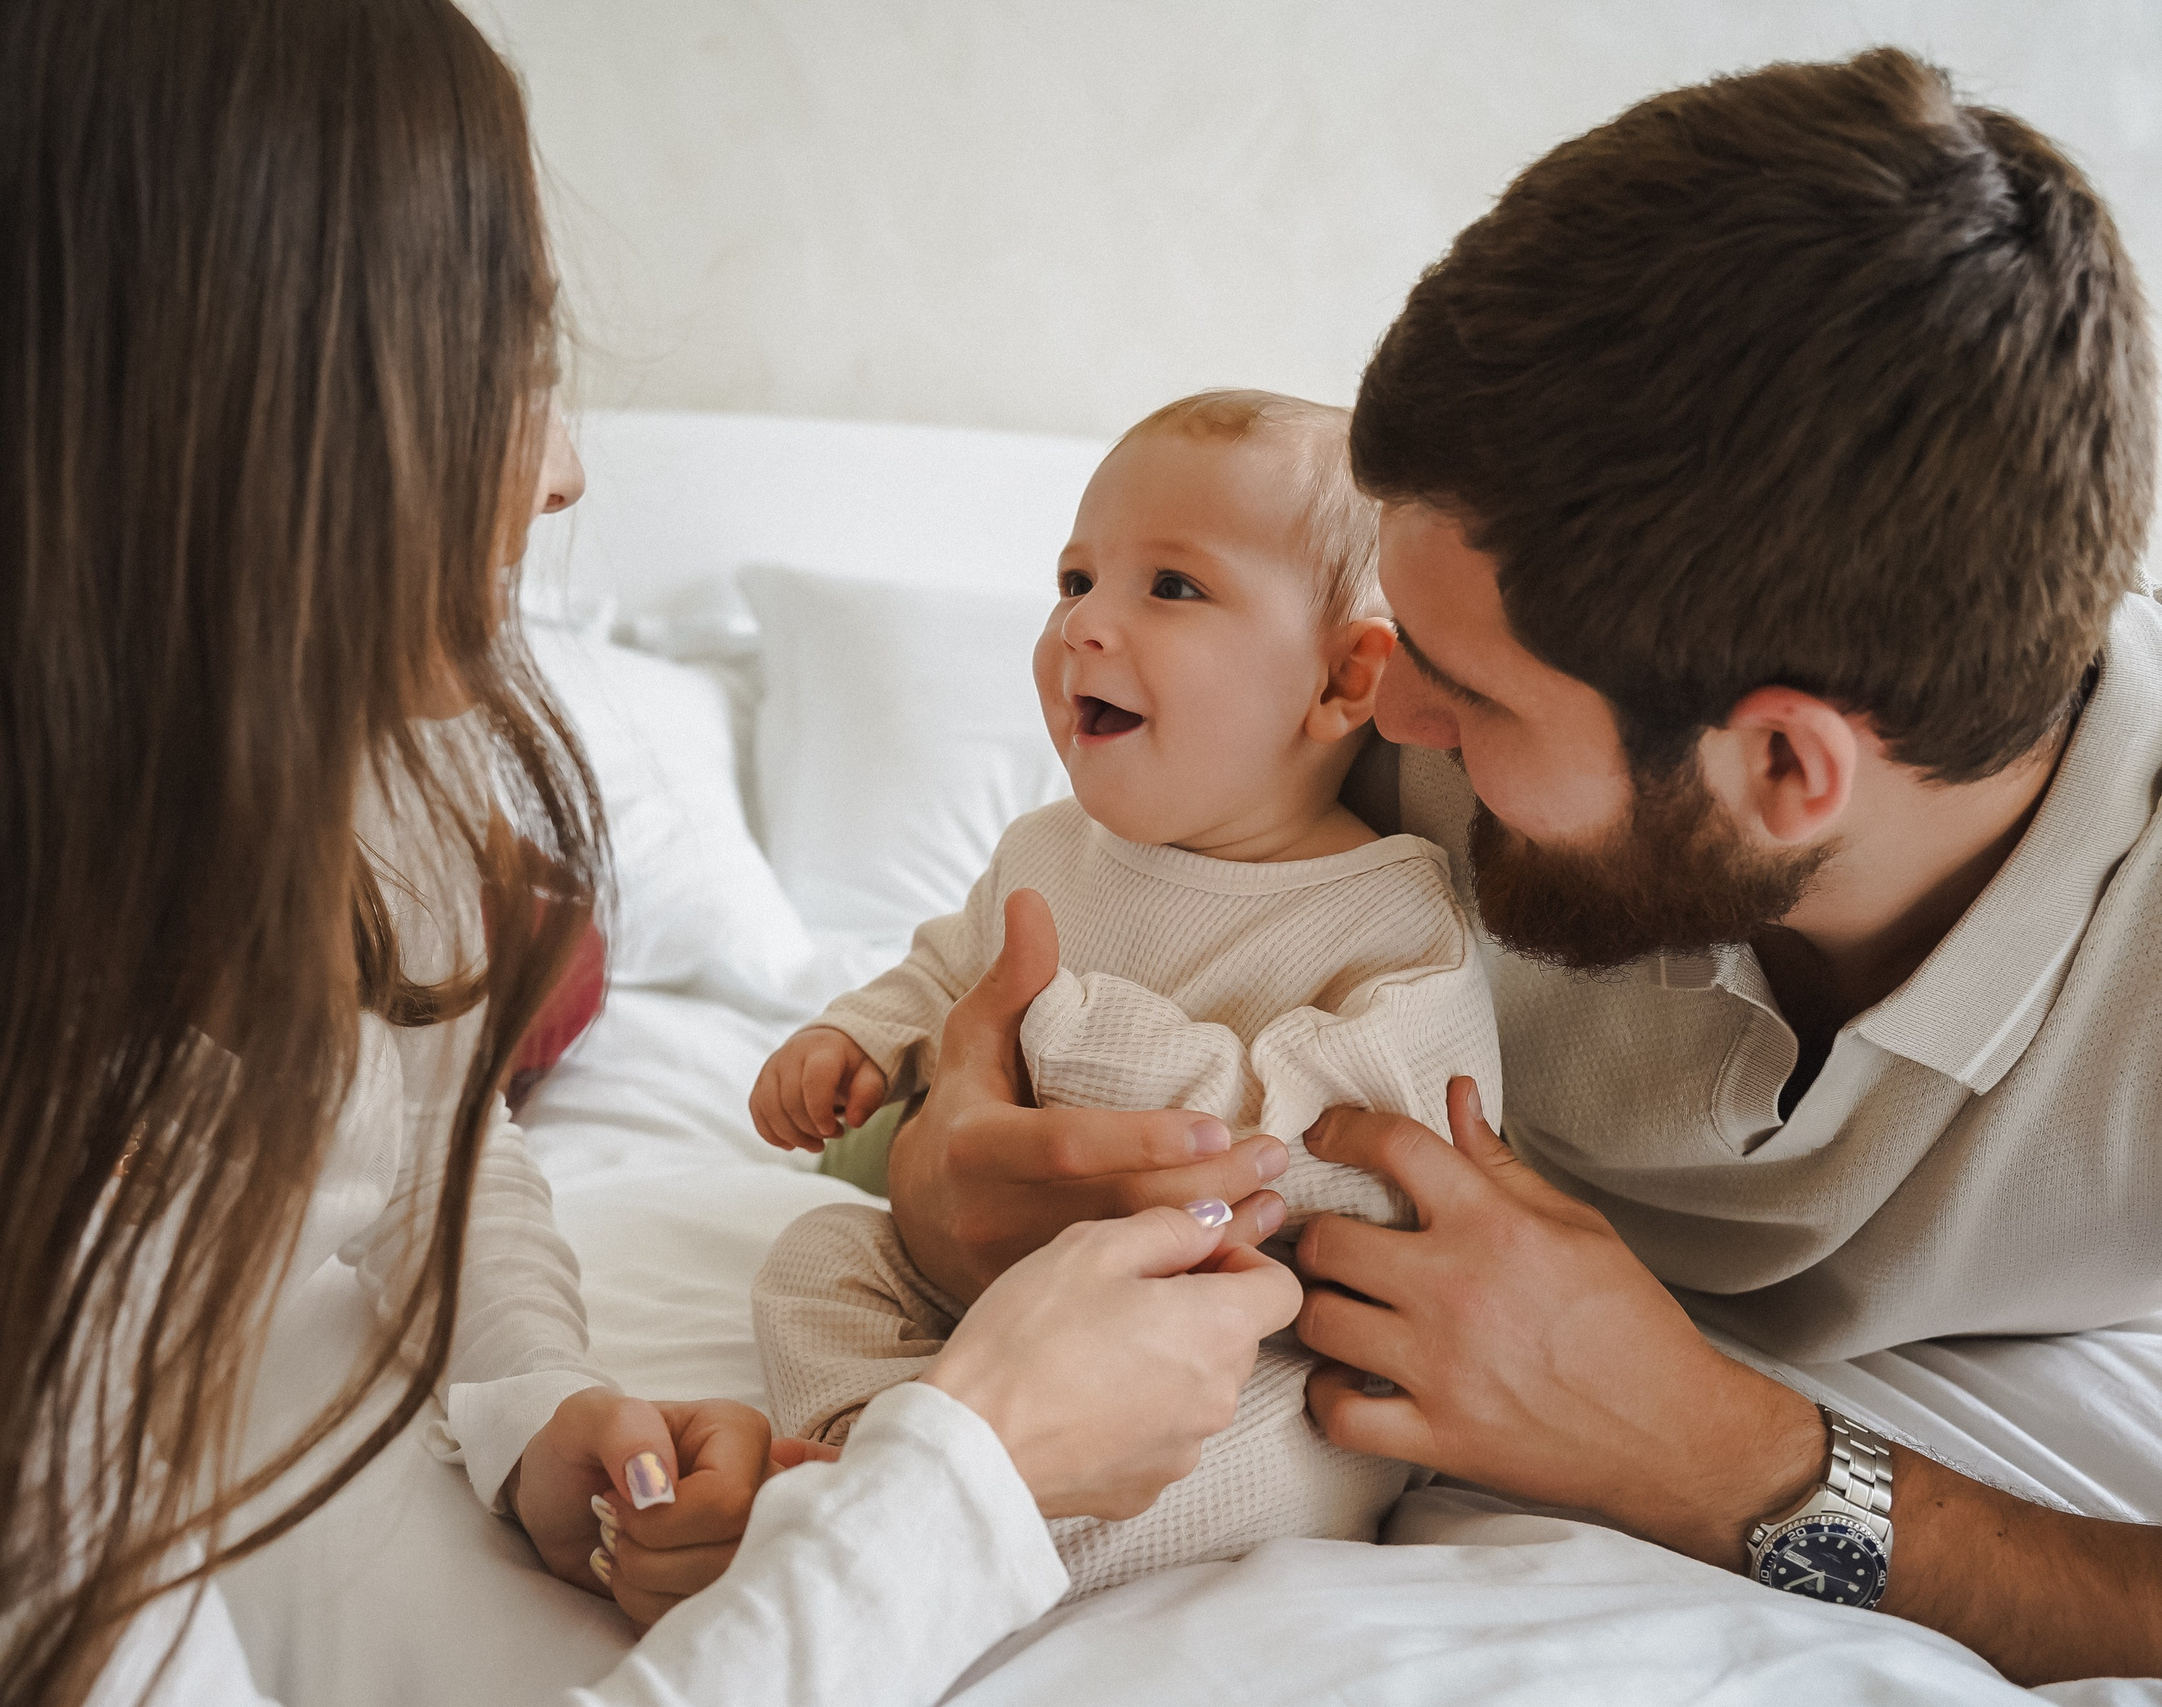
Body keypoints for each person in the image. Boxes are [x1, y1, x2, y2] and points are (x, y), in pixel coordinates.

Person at [0, 3, 1299, 1704]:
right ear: (217, 418)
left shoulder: (368, 795)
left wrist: (531, 1406)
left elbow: (435, 1148)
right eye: (499, 365)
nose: (563, 469)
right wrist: (976, 1470)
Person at [879, 48, 2162, 1684]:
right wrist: (930, 1176)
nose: (1378, 706)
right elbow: (1000, 1015)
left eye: (1462, 692)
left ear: (1780, 767)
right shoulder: (1364, 692)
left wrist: (1724, 1455)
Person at [745, 390, 1500, 1597]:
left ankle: (941, 1552)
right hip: (987, 1285)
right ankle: (861, 1446)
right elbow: (950, 970)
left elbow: (1365, 1161)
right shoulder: (1047, 851)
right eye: (1072, 580)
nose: (1084, 625)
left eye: (1171, 588)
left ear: (1344, 680)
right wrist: (862, 1037)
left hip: (1234, 1336)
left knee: (1284, 1443)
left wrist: (1087, 1040)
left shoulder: (1390, 915)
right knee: (821, 1250)